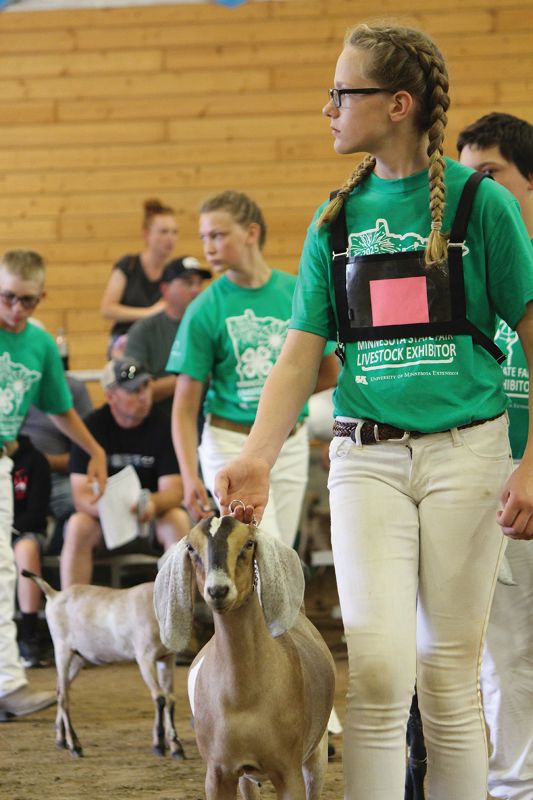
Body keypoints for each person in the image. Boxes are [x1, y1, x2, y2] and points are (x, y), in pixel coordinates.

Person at [213, 23, 533, 800]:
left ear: (397, 105)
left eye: (341, 92)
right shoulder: (333, 217)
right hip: (364, 458)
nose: (327, 107)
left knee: (448, 675)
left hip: (468, 452)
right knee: (381, 671)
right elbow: (298, 355)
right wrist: (257, 449)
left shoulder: (481, 206)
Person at [458, 112, 533, 800]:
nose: (474, 191)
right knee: (505, 653)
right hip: (501, 493)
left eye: (490, 175)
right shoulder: (465, 276)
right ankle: (514, 789)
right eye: (466, 177)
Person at [167, 190, 312, 547]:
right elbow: (184, 408)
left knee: (283, 554)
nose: (208, 247)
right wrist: (189, 476)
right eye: (203, 237)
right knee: (263, 546)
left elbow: (323, 370)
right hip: (230, 440)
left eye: (217, 235)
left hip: (288, 439)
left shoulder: (294, 291)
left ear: (251, 232)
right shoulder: (204, 308)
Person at [0, 249, 107, 720]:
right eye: (6, 298)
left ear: (42, 297)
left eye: (26, 300)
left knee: (4, 573)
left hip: (3, 461)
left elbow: (60, 405)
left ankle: (6, 683)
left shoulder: (40, 346)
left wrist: (96, 449)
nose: (15, 309)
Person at [60, 357, 190, 589]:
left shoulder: (164, 426)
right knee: (78, 525)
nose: (143, 396)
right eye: (134, 391)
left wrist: (151, 503)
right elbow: (81, 496)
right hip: (104, 520)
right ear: (111, 397)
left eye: (146, 387)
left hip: (149, 517)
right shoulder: (91, 428)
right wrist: (115, 511)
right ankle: (71, 613)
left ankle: (179, 610)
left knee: (177, 520)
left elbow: (174, 491)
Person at [124, 255, 211, 420]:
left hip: (207, 421)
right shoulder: (144, 331)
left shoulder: (211, 327)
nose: (196, 290)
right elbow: (134, 391)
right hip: (159, 424)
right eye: (187, 283)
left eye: (199, 283)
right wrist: (194, 375)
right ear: (165, 289)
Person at [21, 369, 93, 551]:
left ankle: (57, 558)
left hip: (56, 476)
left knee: (80, 502)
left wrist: (42, 462)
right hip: (15, 473)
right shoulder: (10, 388)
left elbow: (83, 456)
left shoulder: (72, 389)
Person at [100, 198, 178, 356]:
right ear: (146, 234)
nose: (170, 238)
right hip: (124, 342)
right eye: (164, 232)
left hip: (159, 344)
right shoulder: (129, 265)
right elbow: (107, 309)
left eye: (174, 232)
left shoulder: (174, 273)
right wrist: (149, 313)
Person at [11, 434, 52, 668]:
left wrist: (8, 530)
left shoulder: (35, 460)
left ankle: (29, 636)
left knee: (26, 549)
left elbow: (37, 514)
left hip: (25, 531)